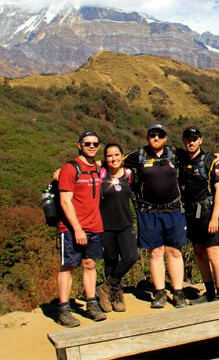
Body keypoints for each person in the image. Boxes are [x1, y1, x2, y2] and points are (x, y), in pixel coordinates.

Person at [123, 123, 188, 309]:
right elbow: (114, 161)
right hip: (148, 211)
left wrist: (217, 157)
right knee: (155, 252)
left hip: (173, 209)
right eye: (153, 135)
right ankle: (159, 292)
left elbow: (197, 156)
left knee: (175, 251)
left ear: (166, 138)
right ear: (147, 137)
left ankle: (178, 292)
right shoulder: (138, 155)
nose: (156, 138)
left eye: (160, 135)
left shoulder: (175, 154)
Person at [55, 131, 107, 327]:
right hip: (72, 228)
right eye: (87, 143)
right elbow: (65, 201)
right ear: (79, 145)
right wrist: (77, 229)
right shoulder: (70, 168)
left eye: (95, 143)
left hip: (95, 225)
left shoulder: (97, 168)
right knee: (68, 266)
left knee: (89, 265)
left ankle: (91, 303)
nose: (91, 146)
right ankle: (64, 308)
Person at [178, 126, 219, 302]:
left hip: (207, 212)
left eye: (194, 139)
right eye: (188, 139)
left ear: (201, 140)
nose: (191, 142)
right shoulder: (181, 158)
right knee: (199, 252)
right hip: (191, 212)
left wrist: (215, 217)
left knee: (213, 253)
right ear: (184, 141)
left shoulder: (210, 161)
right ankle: (209, 292)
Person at [95, 143, 139, 313]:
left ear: (122, 156)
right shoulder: (100, 174)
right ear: (105, 158)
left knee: (131, 257)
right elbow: (80, 168)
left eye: (116, 155)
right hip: (105, 225)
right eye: (109, 156)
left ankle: (105, 287)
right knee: (111, 260)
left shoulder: (129, 175)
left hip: (125, 224)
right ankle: (116, 293)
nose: (113, 158)